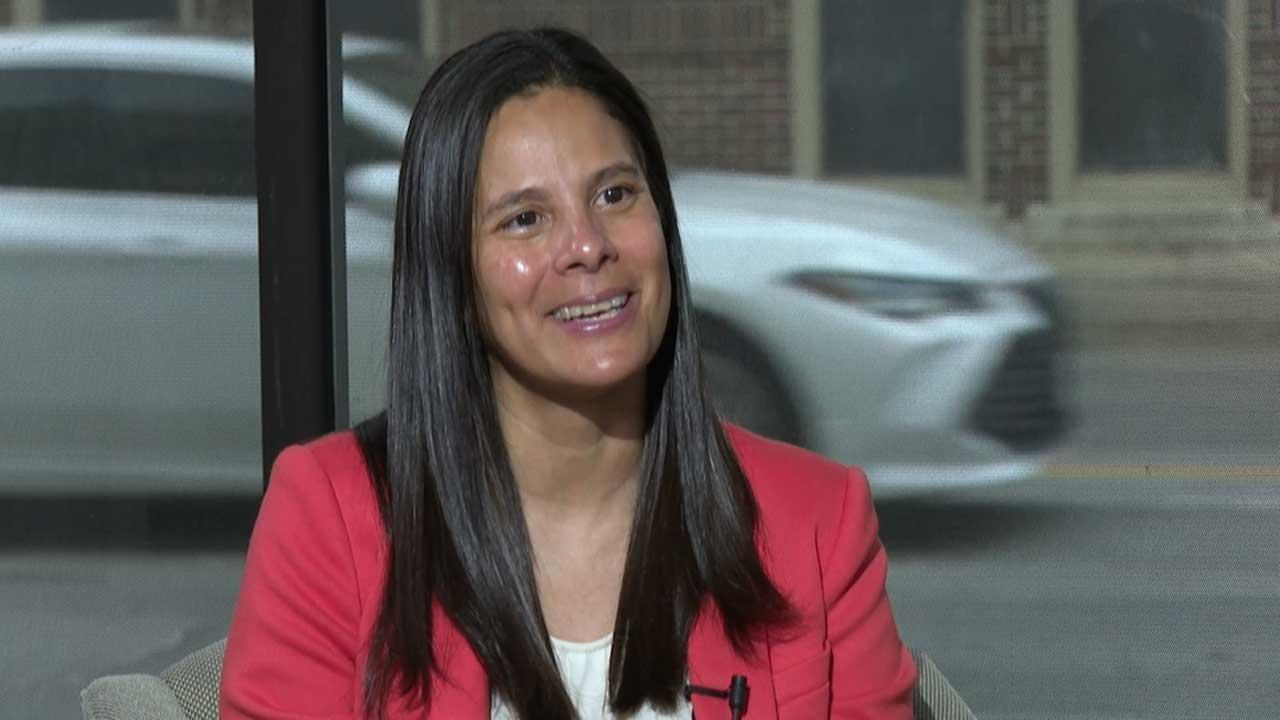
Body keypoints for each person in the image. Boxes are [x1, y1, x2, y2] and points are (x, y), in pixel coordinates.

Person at [220, 27, 916, 720]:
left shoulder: (821, 523)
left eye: (615, 196)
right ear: (453, 279)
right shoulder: (328, 518)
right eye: (525, 219)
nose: (587, 247)